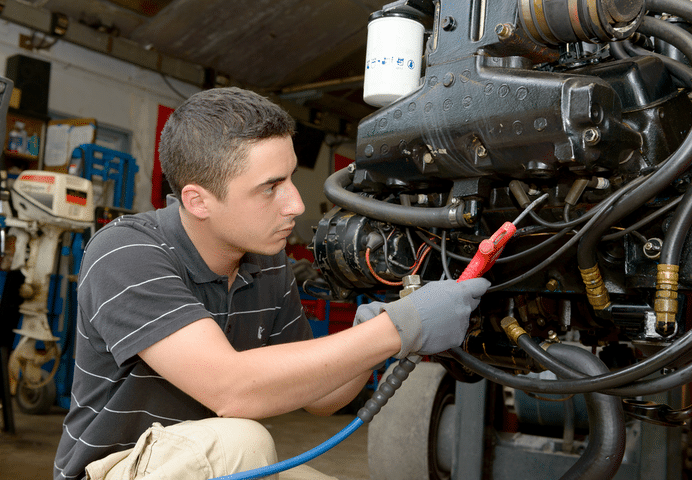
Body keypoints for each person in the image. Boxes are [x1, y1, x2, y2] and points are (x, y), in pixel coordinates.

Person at [53, 87, 490, 480]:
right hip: (114, 469)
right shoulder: (125, 252)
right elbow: (232, 390)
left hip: (212, 466)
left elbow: (322, 398)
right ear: (197, 200)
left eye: (292, 178)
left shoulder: (266, 261)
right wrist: (401, 325)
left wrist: (372, 334)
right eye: (270, 187)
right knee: (243, 443)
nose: (296, 204)